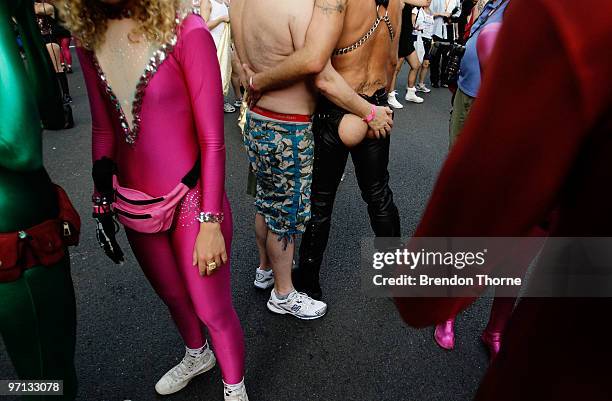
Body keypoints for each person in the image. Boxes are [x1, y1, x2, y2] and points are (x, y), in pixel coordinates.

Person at [394, 0, 612, 399]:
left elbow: (473, 207)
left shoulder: (574, 14)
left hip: (562, 365)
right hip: (472, 97)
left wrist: (422, 287)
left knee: (517, 239)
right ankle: (456, 318)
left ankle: (490, 324)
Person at [61, 0, 248, 399]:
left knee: (211, 308)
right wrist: (101, 204)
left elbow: (213, 141)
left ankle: (235, 390)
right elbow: (103, 131)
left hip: (194, 201)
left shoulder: (189, 31)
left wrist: (210, 221)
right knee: (173, 296)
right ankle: (197, 356)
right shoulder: (89, 41)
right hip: (133, 202)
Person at [245, 0, 401, 301]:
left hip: (339, 106)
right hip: (377, 105)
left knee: (321, 201)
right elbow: (393, 61)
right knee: (379, 193)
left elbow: (318, 65)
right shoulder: (395, 3)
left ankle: (308, 284)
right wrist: (375, 107)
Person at [0, 1, 80, 399]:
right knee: (41, 376)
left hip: (32, 233)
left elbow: (51, 111)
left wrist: (26, 19)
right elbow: (23, 150)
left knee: (55, 365)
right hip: (15, 244)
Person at [433, 0, 510, 355]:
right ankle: (447, 310)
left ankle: (494, 327)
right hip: (466, 97)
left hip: (500, 110)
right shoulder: (488, 2)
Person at [388, 0, 431, 109]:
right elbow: (425, 3)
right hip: (400, 36)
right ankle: (390, 95)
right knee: (395, 69)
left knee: (416, 65)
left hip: (407, 37)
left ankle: (410, 93)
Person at [201, 0, 238, 113]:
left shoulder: (223, 3)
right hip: (211, 45)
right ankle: (211, 105)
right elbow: (203, 26)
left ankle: (220, 102)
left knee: (222, 75)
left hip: (223, 45)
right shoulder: (207, 2)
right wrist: (221, 19)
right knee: (211, 77)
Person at [34, 1, 72, 102]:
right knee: (42, 71)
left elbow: (40, 10)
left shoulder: (48, 6)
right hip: (37, 40)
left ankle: (66, 94)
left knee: (57, 68)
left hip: (49, 39)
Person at [429, 0, 461, 87]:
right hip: (437, 29)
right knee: (435, 56)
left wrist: (451, 17)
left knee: (447, 56)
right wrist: (441, 14)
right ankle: (434, 80)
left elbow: (458, 12)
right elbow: (429, 12)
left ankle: (444, 80)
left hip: (450, 29)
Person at [412, 5, 435, 93]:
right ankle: (411, 85)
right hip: (419, 38)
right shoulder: (416, 9)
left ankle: (420, 84)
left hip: (429, 39)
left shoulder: (431, 11)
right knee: (416, 63)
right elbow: (412, 22)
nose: (428, 1)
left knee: (426, 63)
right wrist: (415, 27)